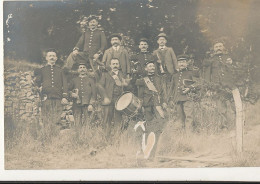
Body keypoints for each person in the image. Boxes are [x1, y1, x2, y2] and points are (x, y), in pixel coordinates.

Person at [135, 60, 167, 159]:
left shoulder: (160, 79)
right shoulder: (142, 80)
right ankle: (148, 150)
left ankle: (158, 149)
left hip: (158, 104)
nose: (152, 68)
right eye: (150, 66)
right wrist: (141, 106)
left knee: (160, 126)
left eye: (153, 66)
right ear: (146, 68)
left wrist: (164, 102)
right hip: (147, 105)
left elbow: (163, 91)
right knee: (149, 128)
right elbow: (140, 94)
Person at [202, 40, 236, 128]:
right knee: (221, 108)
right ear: (213, 49)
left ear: (223, 47)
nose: (218, 48)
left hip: (230, 86)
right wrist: (209, 87)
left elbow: (235, 71)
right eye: (216, 47)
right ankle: (224, 126)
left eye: (220, 46)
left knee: (233, 106)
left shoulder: (229, 58)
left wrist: (231, 64)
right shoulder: (211, 60)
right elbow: (207, 75)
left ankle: (236, 125)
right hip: (218, 87)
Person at [35, 48, 68, 133]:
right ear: (46, 58)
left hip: (58, 98)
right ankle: (47, 136)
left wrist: (64, 97)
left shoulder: (60, 70)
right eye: (50, 56)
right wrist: (37, 86)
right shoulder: (42, 70)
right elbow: (38, 83)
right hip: (46, 98)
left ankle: (56, 138)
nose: (52, 57)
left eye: (53, 56)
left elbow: (65, 84)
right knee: (46, 118)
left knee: (57, 118)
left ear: (56, 58)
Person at [97, 58, 131, 142]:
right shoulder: (105, 74)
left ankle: (117, 139)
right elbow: (100, 86)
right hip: (108, 100)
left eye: (116, 64)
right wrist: (105, 97)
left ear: (119, 65)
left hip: (119, 101)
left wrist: (125, 84)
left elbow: (128, 87)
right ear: (110, 65)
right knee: (107, 120)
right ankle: (106, 139)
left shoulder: (122, 75)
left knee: (118, 120)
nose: (115, 65)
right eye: (113, 64)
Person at [172, 54, 200, 132]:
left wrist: (189, 88)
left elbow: (198, 83)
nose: (181, 64)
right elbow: (172, 88)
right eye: (180, 62)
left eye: (183, 62)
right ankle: (181, 135)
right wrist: (172, 99)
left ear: (187, 63)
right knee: (180, 117)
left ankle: (189, 135)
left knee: (189, 117)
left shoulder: (191, 73)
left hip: (188, 98)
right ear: (177, 64)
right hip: (178, 99)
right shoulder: (175, 75)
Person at [152, 33, 178, 101]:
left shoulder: (170, 50)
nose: (162, 41)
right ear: (157, 41)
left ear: (166, 41)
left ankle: (171, 100)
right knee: (162, 87)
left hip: (169, 71)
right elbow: (154, 63)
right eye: (160, 40)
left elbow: (174, 59)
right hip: (160, 72)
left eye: (163, 40)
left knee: (170, 86)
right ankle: (164, 101)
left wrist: (176, 68)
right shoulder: (155, 52)